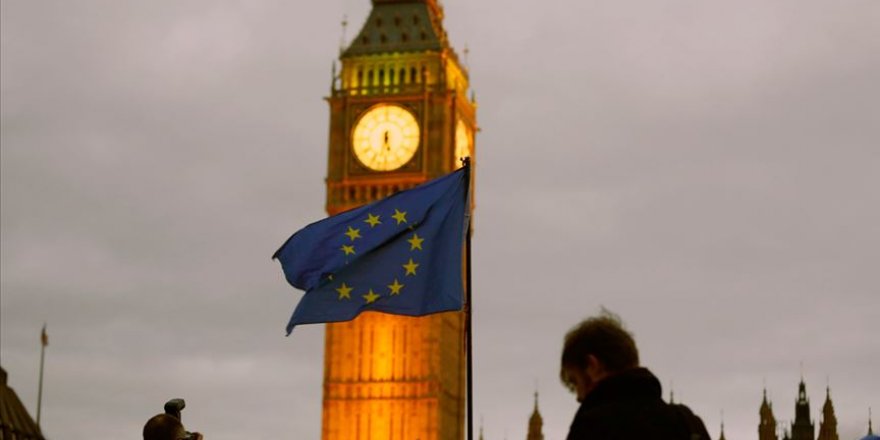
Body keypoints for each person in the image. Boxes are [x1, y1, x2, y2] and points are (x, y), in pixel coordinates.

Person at [560, 310, 710, 440]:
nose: (578, 396)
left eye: (575, 382)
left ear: (592, 365)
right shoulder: (689, 425)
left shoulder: (592, 427)